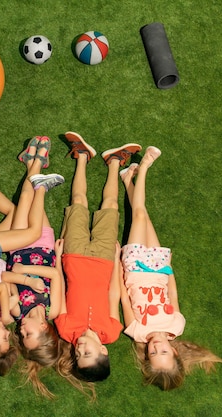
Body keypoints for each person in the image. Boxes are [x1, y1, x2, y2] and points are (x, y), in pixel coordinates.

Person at [118, 146, 222, 390]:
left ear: (146, 356)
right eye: (162, 351)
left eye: (153, 354)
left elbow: (124, 296)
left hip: (134, 267)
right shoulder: (176, 325)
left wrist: (118, 265)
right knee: (144, 217)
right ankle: (126, 179)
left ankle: (144, 167)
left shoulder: (136, 331)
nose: (156, 347)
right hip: (159, 270)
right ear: (174, 352)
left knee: (140, 215)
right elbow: (172, 295)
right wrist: (169, 267)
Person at [0, 136, 65, 376]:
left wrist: (23, 275)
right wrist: (58, 257)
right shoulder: (53, 310)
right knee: (28, 207)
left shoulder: (15, 311)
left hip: (19, 250)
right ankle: (31, 164)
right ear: (44, 327)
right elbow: (56, 274)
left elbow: (6, 278)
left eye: (22, 337)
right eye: (26, 335)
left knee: (25, 200)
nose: (20, 332)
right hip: (45, 249)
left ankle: (37, 165)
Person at [54, 132, 141, 385]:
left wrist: (58, 259)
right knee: (111, 206)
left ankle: (82, 156)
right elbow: (114, 293)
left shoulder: (65, 330)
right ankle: (114, 162)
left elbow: (60, 289)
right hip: (104, 260)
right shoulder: (112, 332)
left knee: (78, 201)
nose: (80, 348)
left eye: (78, 355)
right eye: (87, 353)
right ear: (103, 350)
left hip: (73, 255)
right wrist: (115, 260)